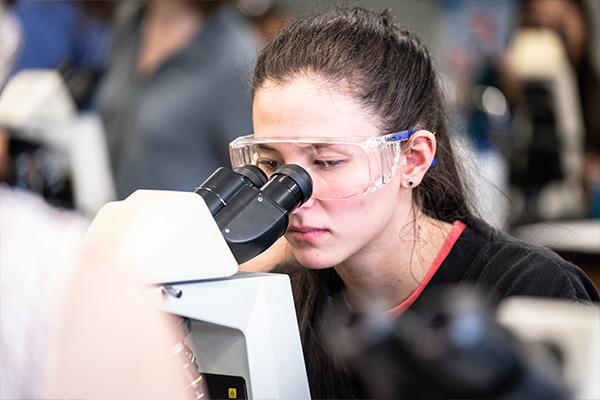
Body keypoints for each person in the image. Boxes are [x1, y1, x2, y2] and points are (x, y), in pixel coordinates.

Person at [235, 7, 599, 398]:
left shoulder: (533, 290)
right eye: (272, 164)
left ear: (412, 159)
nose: (293, 197)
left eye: (327, 162)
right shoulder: (282, 301)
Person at [96, 0, 256, 199]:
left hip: (183, 225)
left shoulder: (234, 58)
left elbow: (252, 183)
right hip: (115, 219)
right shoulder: (128, 22)